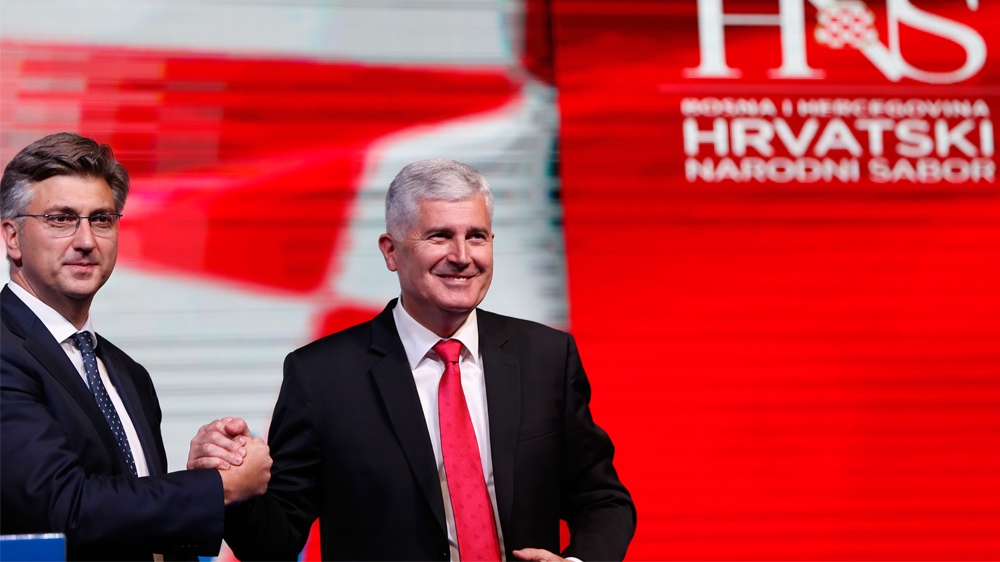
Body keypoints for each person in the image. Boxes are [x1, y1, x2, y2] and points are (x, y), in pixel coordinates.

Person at [210, 159, 635, 560]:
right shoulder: (320, 376)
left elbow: (602, 499)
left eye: (476, 236)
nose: (462, 256)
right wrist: (230, 489)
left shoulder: (546, 356)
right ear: (391, 251)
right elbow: (275, 540)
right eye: (439, 236)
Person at [0, 132, 272, 561]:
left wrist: (208, 468)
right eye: (61, 219)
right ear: (12, 237)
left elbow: (133, 523)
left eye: (101, 219)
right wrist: (218, 488)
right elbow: (64, 509)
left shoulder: (127, 373)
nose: (86, 240)